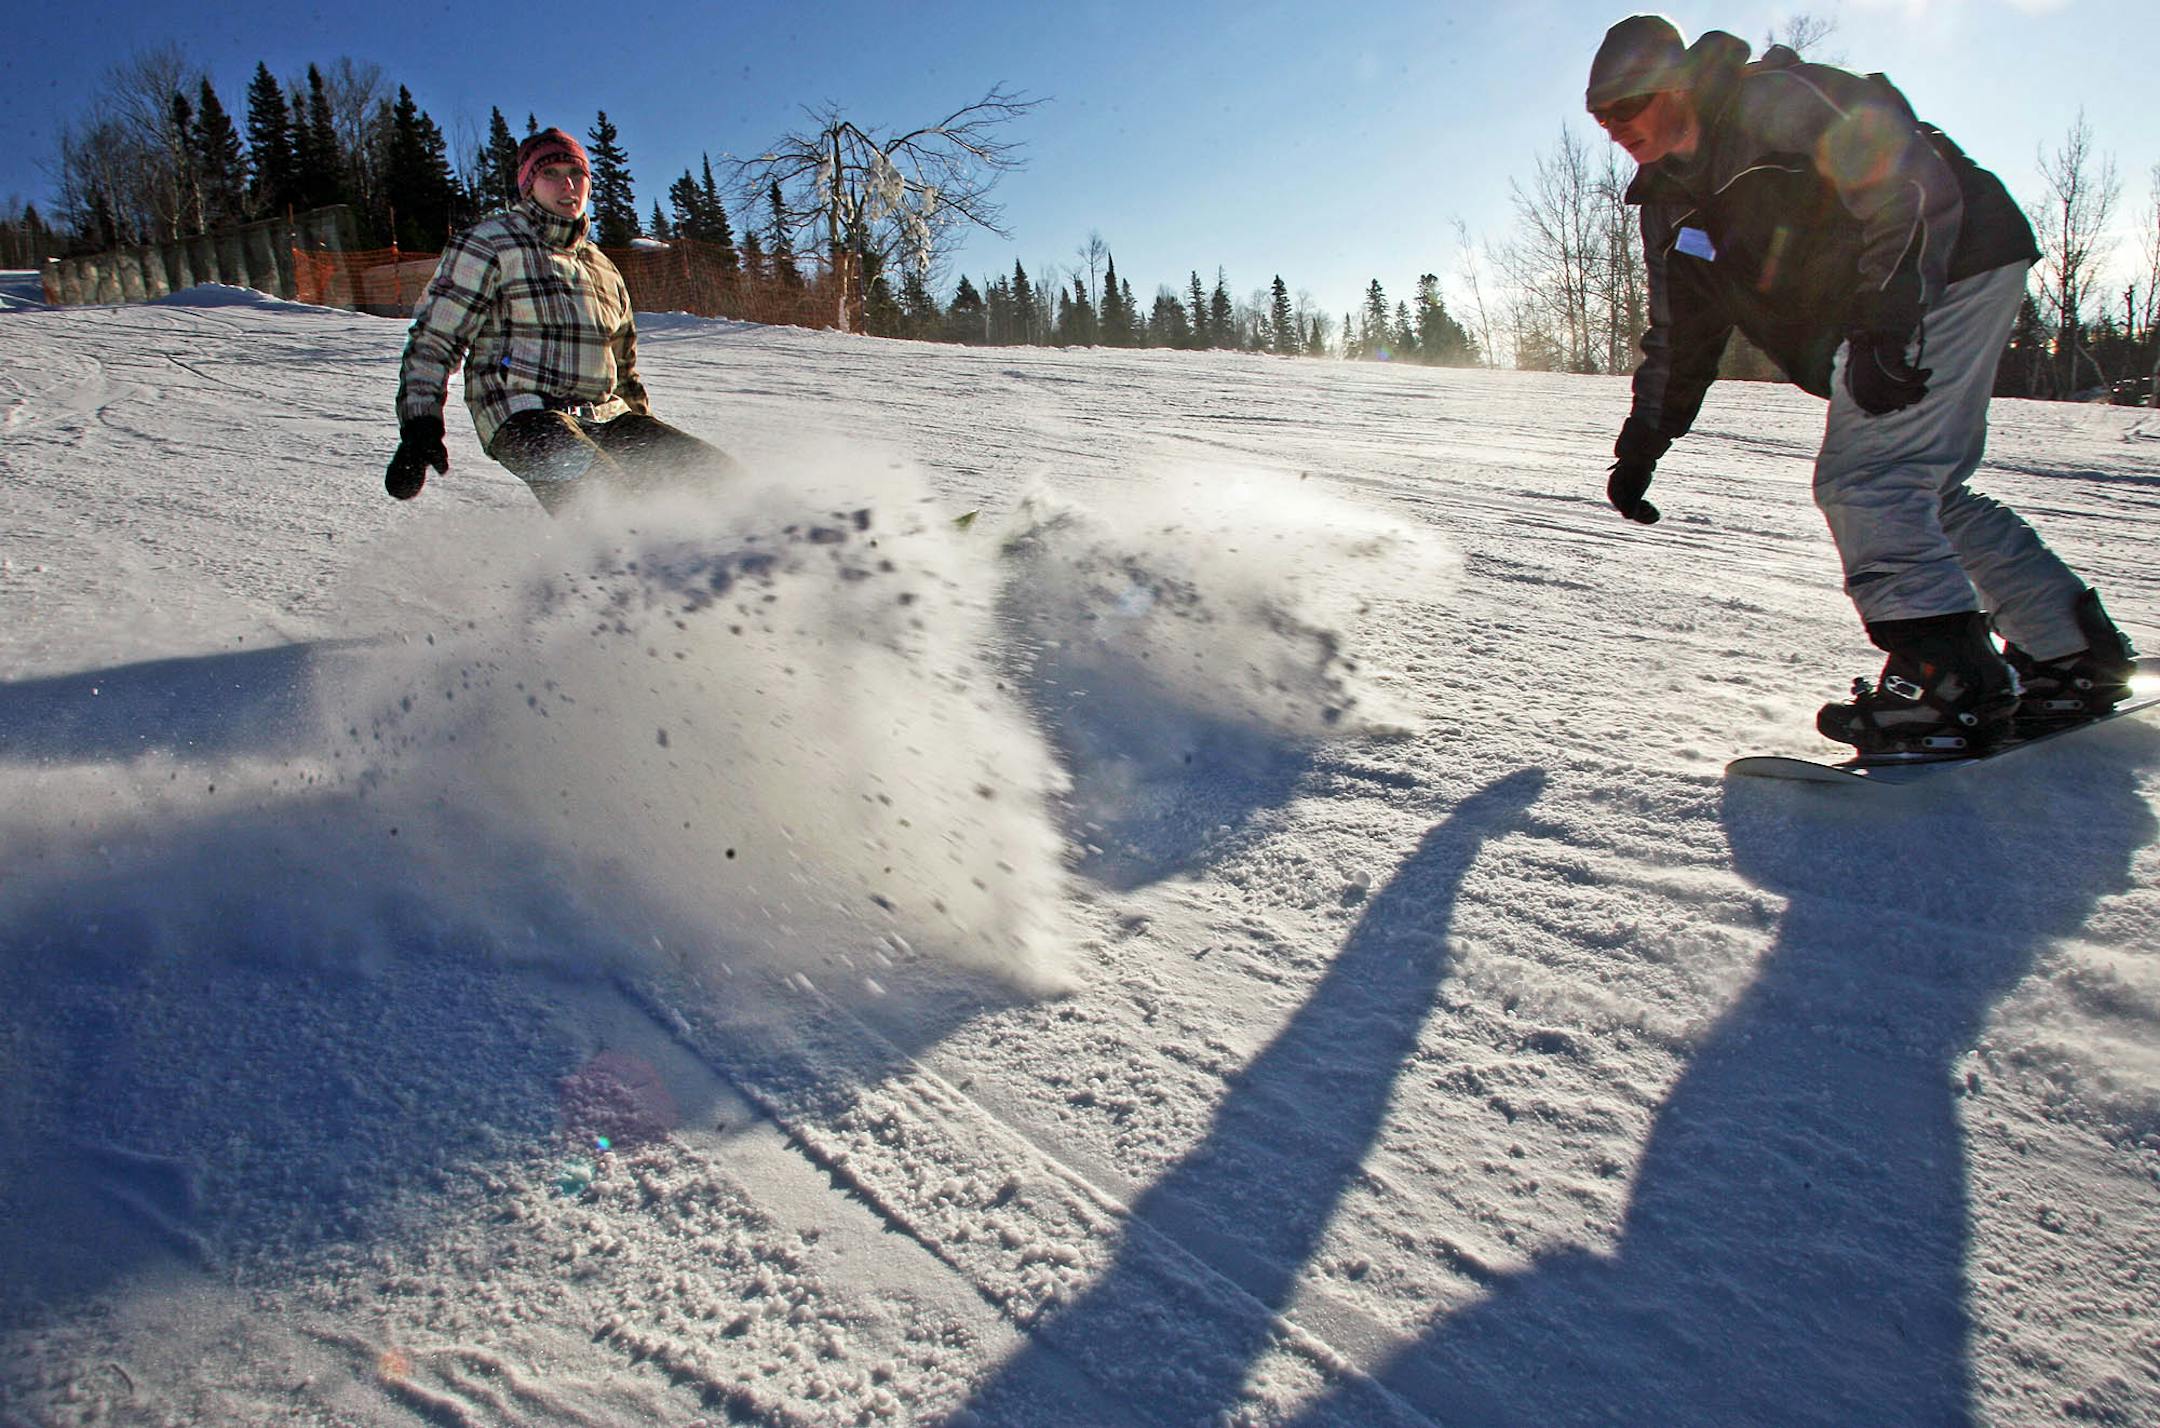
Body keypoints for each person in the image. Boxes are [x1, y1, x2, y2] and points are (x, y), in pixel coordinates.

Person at [1586, 15, 2136, 757]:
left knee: (1870, 478)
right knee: (1923, 488)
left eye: (1627, 105)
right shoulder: (1667, 203)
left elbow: (1905, 182)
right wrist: (1646, 438)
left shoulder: (1773, 102)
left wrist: (1885, 321)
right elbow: (1679, 332)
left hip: (1949, 259)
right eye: (1600, 115)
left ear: (1677, 85)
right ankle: (2068, 649)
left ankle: (1948, 683)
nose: (1614, 126)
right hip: (1894, 301)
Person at [385, 127, 738, 514]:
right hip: (522, 414)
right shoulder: (492, 244)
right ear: (528, 186)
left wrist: (648, 444)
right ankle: (620, 568)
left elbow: (623, 370)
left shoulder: (602, 267)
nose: (566, 184)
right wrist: (420, 425)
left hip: (607, 417)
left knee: (720, 479)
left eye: (576, 172)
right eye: (549, 173)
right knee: (608, 501)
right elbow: (436, 340)